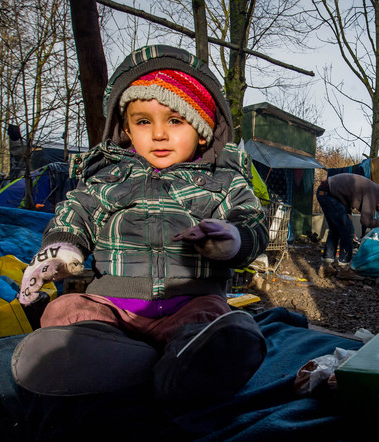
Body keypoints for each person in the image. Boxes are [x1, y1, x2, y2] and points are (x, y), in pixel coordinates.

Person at [14, 45, 269, 412]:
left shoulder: (223, 181)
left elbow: (252, 219)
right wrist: (62, 253)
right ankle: (119, 360)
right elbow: (76, 213)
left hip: (189, 303)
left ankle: (181, 368)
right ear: (127, 129)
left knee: (216, 321)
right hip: (114, 310)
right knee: (66, 309)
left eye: (176, 121)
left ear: (202, 131)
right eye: (143, 121)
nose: (159, 134)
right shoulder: (107, 178)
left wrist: (231, 240)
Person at [315, 172, 379, 279]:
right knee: (346, 230)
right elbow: (365, 221)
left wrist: (349, 227)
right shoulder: (374, 193)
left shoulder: (375, 191)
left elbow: (348, 208)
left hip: (328, 193)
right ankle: (344, 269)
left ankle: (326, 266)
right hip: (329, 194)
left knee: (336, 230)